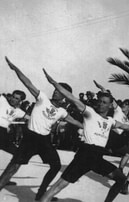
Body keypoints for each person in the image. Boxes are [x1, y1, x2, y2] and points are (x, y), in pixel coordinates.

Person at [39, 69, 129, 202]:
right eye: (99, 101)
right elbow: (71, 97)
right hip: (85, 155)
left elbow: (125, 126)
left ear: (110, 105)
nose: (100, 104)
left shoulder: (110, 120)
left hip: (97, 157)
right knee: (60, 185)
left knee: (121, 179)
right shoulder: (89, 113)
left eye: (104, 102)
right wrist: (53, 82)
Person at [0, 57, 83, 201]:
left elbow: (75, 122)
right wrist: (16, 69)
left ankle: (41, 194)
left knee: (56, 165)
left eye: (59, 91)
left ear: (65, 97)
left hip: (44, 141)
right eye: (55, 89)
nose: (55, 92)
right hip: (30, 138)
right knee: (13, 167)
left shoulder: (62, 112)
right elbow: (27, 83)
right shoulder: (42, 98)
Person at [0, 90, 27, 186]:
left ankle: (4, 179)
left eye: (17, 98)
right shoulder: (2, 101)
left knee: (18, 155)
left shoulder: (19, 112)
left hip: (2, 135)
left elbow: (30, 117)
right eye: (13, 96)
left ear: (20, 101)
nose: (13, 99)